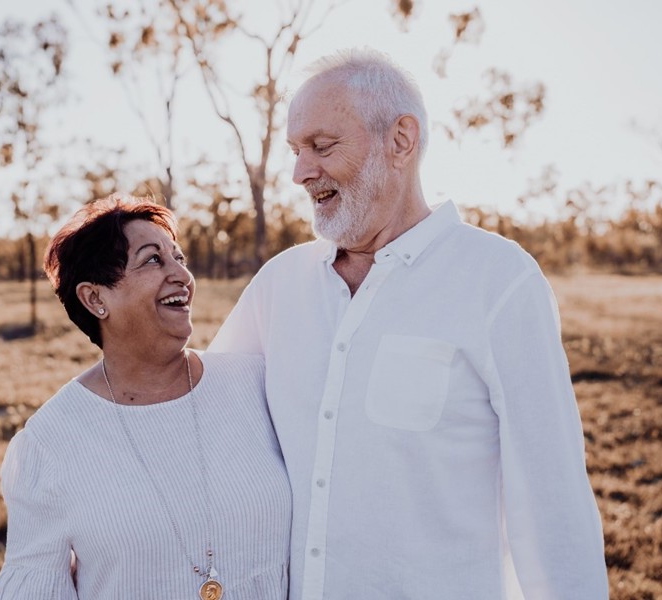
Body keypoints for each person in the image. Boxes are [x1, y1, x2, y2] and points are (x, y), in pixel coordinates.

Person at [208, 48, 608, 599]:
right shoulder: (280, 283)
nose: (301, 172)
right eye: (296, 151)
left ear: (401, 140)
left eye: (322, 147)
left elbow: (551, 496)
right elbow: (204, 420)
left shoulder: (499, 280)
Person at [0, 195, 291, 600]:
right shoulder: (50, 443)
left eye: (178, 257)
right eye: (153, 260)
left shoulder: (254, 382)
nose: (181, 275)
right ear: (96, 299)